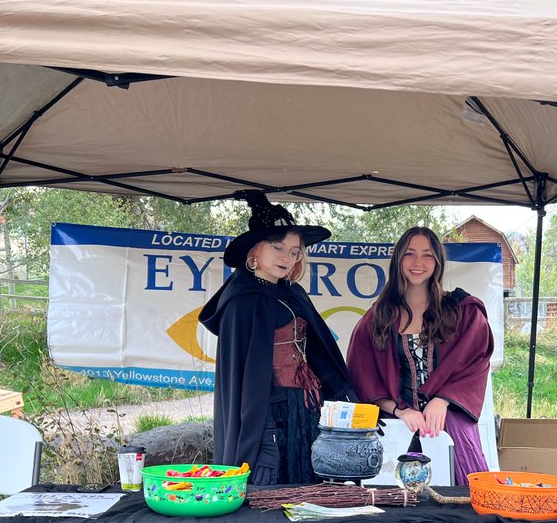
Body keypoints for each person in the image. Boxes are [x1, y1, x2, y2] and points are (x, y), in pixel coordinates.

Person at [198, 192, 353, 485]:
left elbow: (321, 354)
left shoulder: (294, 294)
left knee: (309, 487)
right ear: (255, 251)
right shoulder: (240, 301)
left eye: (295, 251)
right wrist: (254, 429)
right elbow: (243, 379)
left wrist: (345, 397)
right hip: (267, 417)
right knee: (270, 487)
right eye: (279, 248)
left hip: (306, 410)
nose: (288, 257)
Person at [346, 226, 493, 485]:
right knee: (392, 497)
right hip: (396, 422)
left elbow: (476, 361)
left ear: (437, 261)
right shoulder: (379, 317)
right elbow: (363, 376)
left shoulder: (460, 311)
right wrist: (400, 411)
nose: (418, 263)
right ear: (398, 260)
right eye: (409, 254)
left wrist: (443, 400)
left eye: (427, 255)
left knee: (464, 496)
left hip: (449, 420)